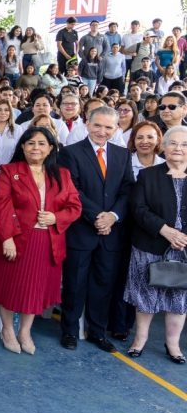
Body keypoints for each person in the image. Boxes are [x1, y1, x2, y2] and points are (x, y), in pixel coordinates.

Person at [0, 127, 81, 354]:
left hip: (47, 242)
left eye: (42, 143)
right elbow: (1, 205)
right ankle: (7, 329)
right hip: (16, 239)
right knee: (9, 286)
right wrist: (7, 238)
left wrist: (56, 217)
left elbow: (75, 206)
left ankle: (25, 332)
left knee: (35, 289)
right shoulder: (9, 171)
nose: (36, 148)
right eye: (31, 143)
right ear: (22, 147)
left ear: (51, 148)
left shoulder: (62, 175)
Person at [58, 106, 134, 351]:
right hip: (81, 230)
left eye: (108, 127)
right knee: (75, 283)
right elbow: (71, 190)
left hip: (111, 233)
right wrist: (97, 217)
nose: (102, 131)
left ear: (116, 128)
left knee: (103, 284)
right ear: (87, 124)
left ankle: (97, 332)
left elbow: (127, 190)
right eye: (97, 125)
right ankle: (70, 331)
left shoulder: (123, 154)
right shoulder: (69, 153)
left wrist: (112, 216)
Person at [125, 125, 187, 363]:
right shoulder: (148, 175)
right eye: (173, 143)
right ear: (164, 146)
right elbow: (138, 209)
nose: (178, 148)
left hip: (184, 249)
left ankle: (173, 344)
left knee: (179, 299)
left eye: (184, 144)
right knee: (146, 296)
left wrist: (182, 237)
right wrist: (166, 230)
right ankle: (139, 340)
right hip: (150, 244)